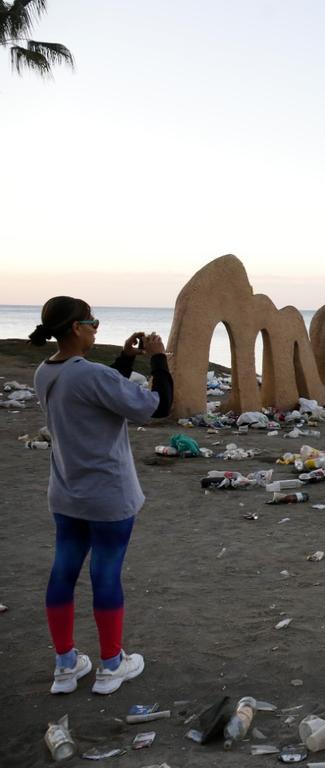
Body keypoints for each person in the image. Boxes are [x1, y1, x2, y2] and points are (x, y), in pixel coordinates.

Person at [29, 296, 174, 695]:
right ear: (76, 328)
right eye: (92, 321)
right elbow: (158, 407)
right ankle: (111, 665)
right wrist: (158, 359)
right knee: (105, 574)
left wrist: (125, 360)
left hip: (66, 492)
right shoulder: (90, 375)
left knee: (63, 572)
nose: (97, 327)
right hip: (107, 494)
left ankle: (65, 665)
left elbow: (97, 393)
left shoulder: (46, 372)